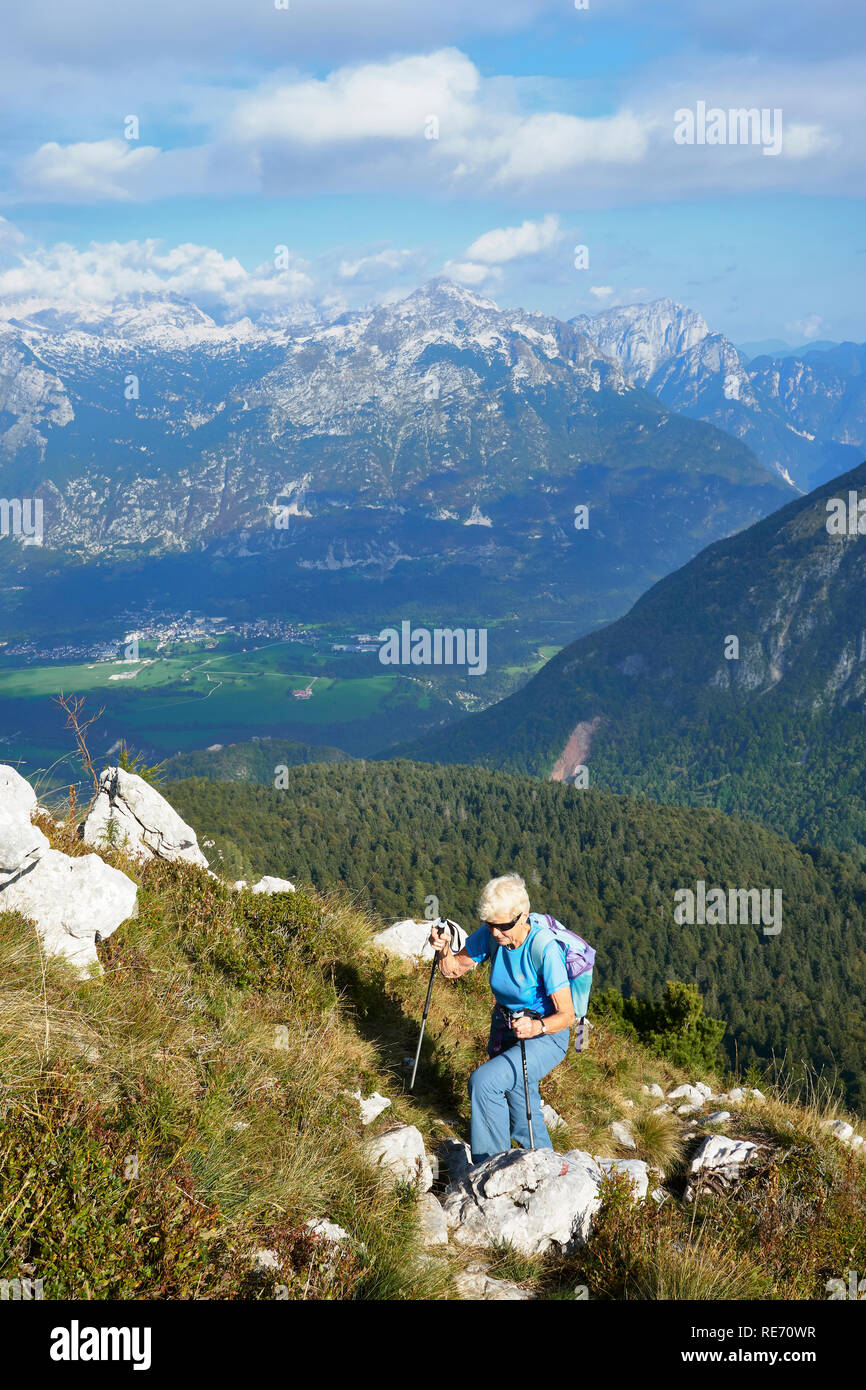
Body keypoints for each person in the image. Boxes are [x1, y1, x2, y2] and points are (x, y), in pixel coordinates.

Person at [430, 872, 574, 1163]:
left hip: (546, 1036)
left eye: (504, 925)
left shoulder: (544, 948)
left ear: (524, 916)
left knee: (485, 1083)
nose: (496, 933)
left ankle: (489, 1166)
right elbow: (453, 969)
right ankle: (545, 1162)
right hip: (506, 1028)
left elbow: (567, 1015)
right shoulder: (493, 936)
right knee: (520, 1097)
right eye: (490, 924)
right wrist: (444, 949)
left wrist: (537, 1026)